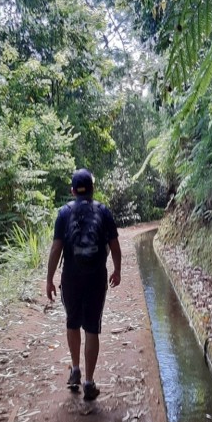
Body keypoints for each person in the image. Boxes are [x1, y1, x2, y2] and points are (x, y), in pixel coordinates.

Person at [46, 168, 121, 401]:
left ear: (72, 191)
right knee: (91, 328)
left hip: (71, 278)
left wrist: (49, 279)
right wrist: (117, 270)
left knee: (72, 322)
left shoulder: (64, 213)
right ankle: (89, 382)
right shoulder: (103, 211)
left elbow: (56, 249)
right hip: (96, 278)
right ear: (92, 189)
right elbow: (115, 246)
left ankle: (75, 370)